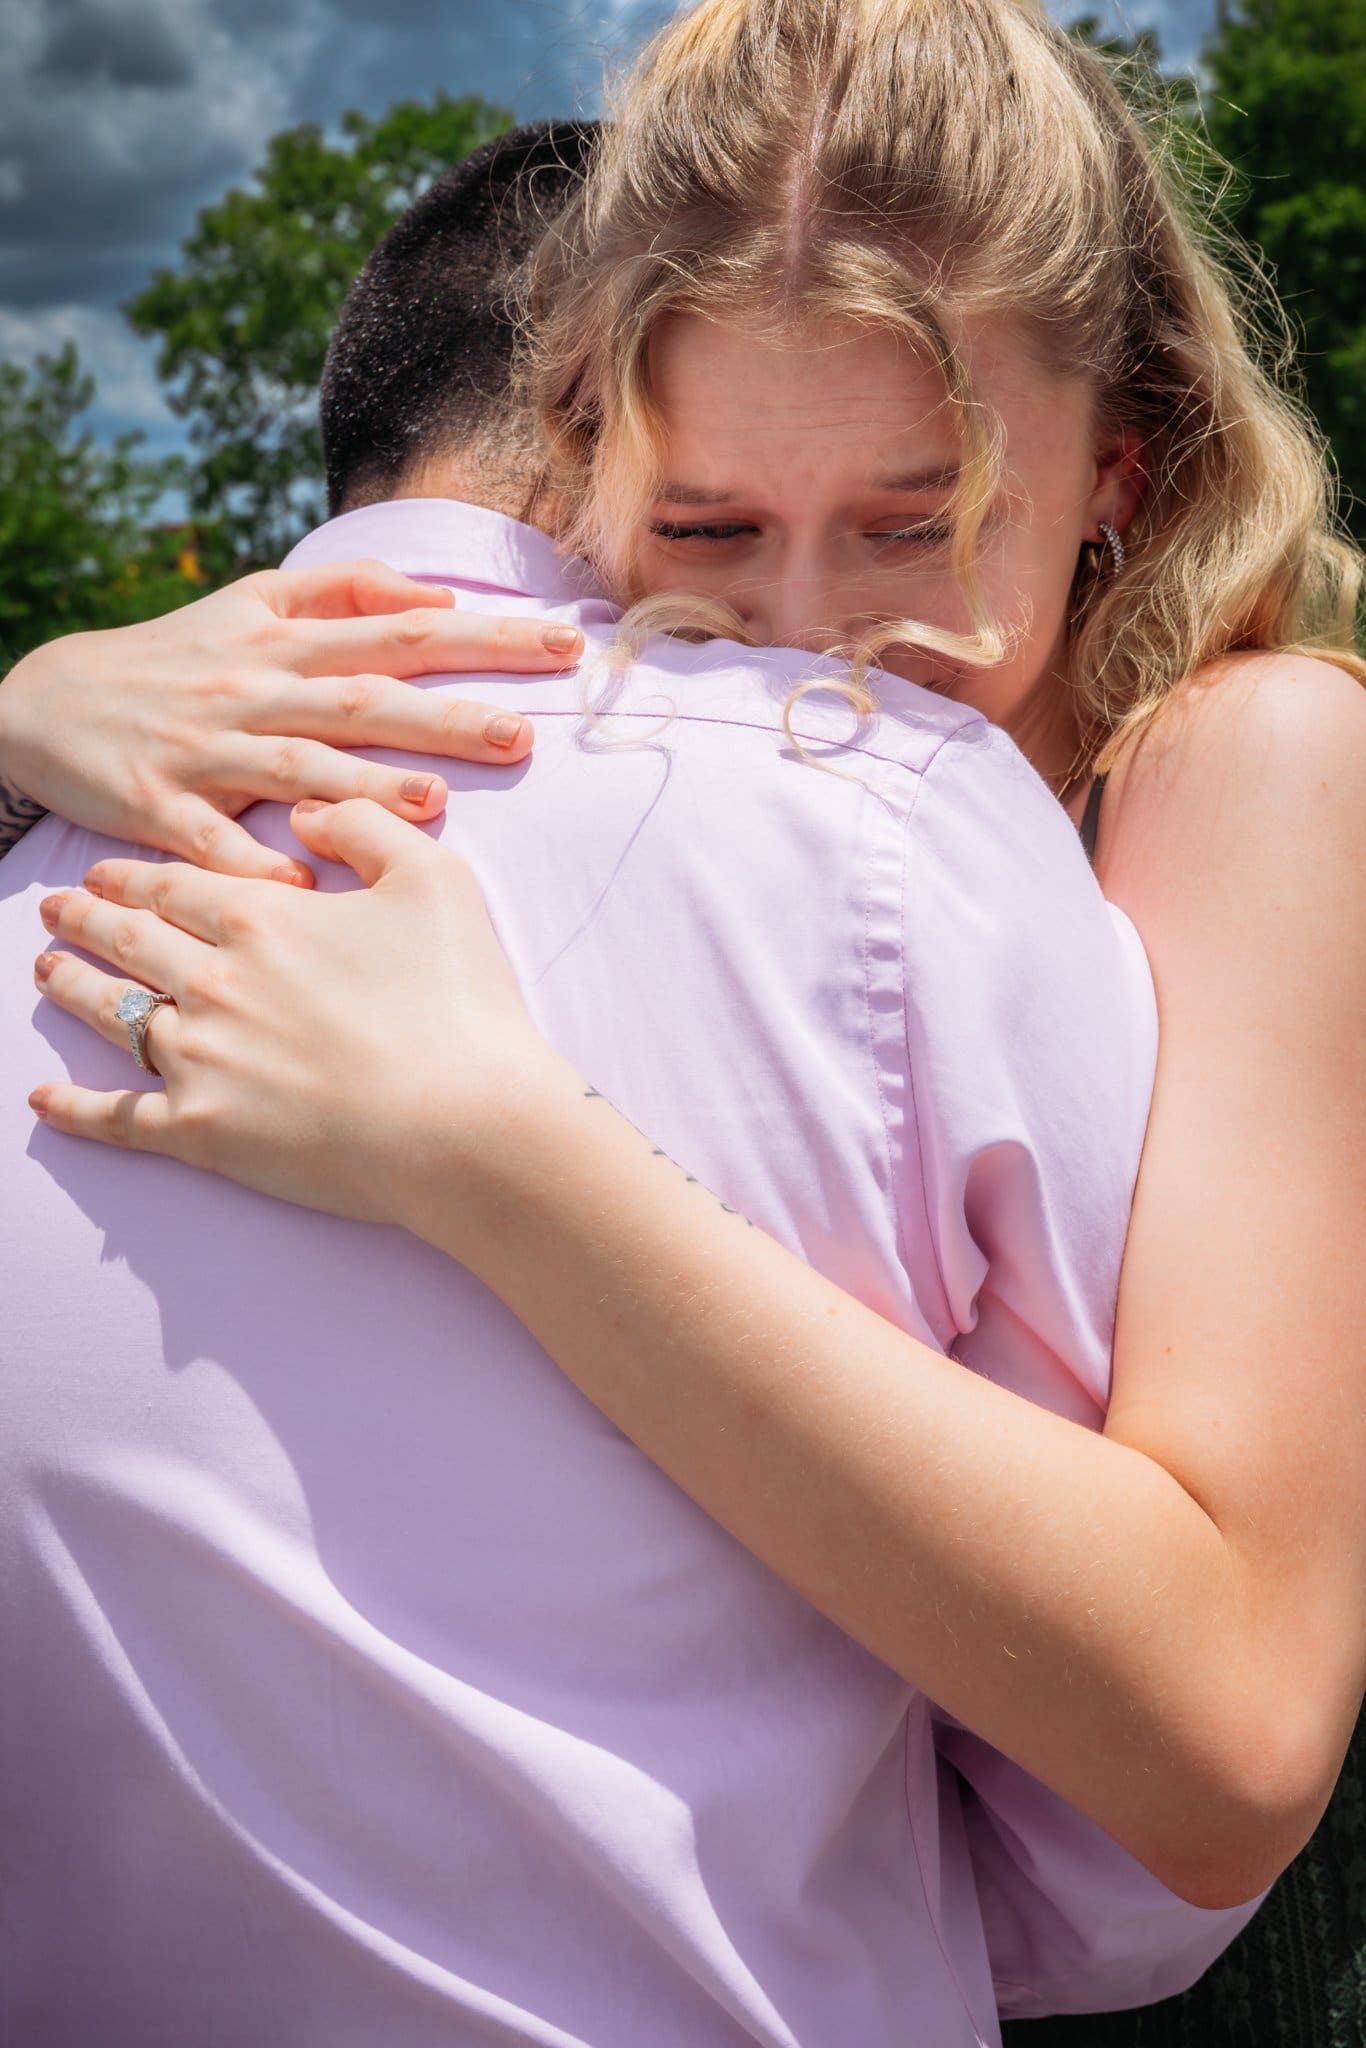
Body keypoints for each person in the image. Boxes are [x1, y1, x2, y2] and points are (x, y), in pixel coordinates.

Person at [0, 118, 1250, 2045]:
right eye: (723, 526)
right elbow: (1120, 1860)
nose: (818, 623)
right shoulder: (912, 826)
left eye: (913, 518)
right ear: (609, 419)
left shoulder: (35, 870)